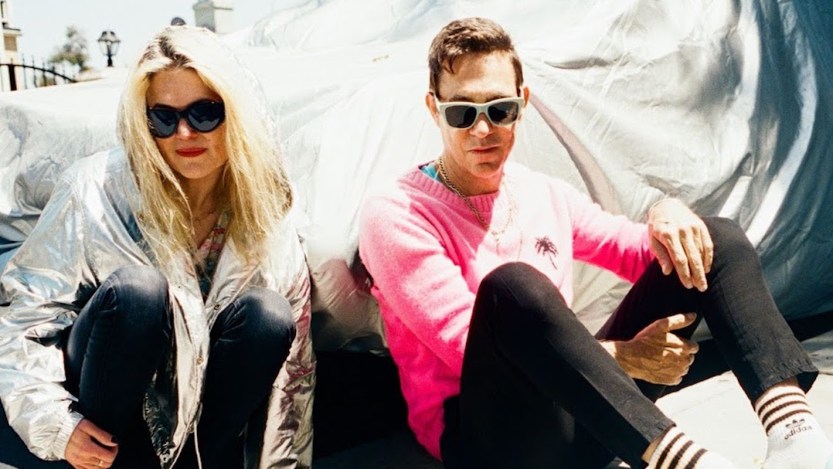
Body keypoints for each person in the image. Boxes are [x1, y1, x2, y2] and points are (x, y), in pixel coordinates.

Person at [358, 17, 833, 469]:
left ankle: (798, 441)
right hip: (493, 441)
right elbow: (465, 345)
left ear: (523, 102)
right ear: (434, 109)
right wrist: (623, 355)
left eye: (499, 109)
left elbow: (644, 253)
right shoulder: (397, 213)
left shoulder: (542, 193)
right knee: (512, 289)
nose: (483, 130)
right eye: (462, 113)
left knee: (712, 240)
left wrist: (667, 212)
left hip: (589, 418)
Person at [0, 26, 314, 469]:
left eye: (205, 113)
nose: (184, 132)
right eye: (163, 118)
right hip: (106, 413)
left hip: (204, 422)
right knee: (139, 293)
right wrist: (56, 424)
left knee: (269, 315)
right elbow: (25, 320)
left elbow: (293, 371)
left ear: (237, 112)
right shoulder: (94, 190)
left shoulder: (267, 205)